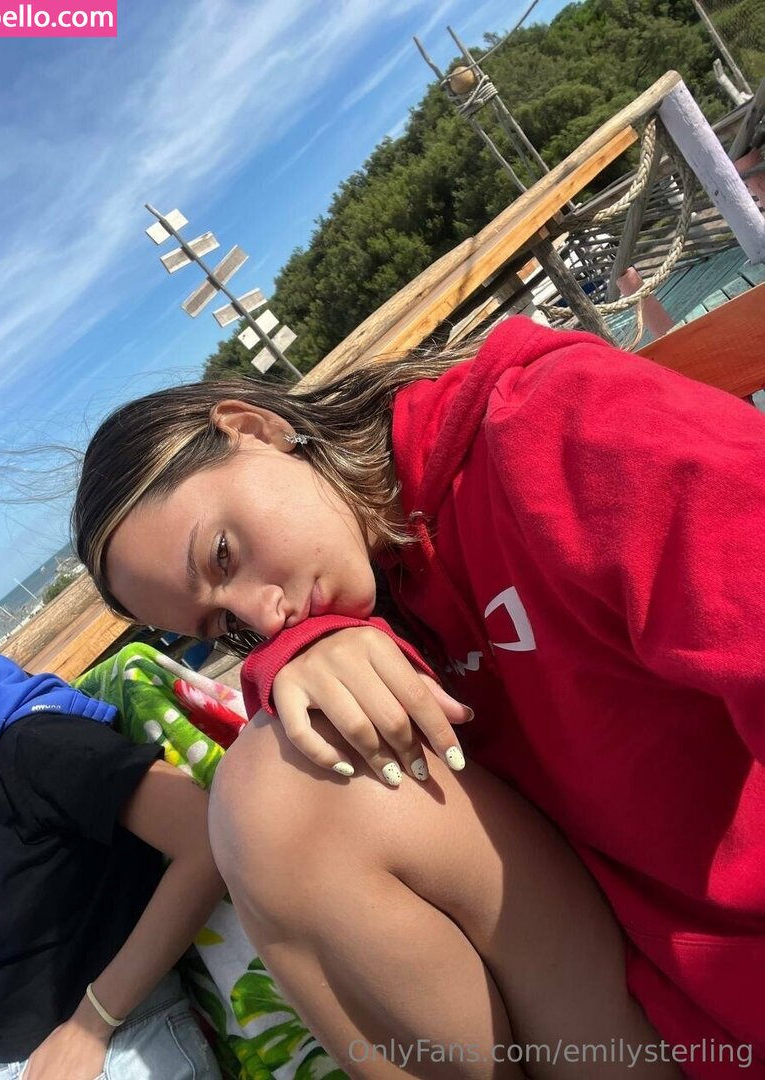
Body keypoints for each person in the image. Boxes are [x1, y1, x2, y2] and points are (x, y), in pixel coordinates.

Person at [72, 315, 765, 1077]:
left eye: (224, 554)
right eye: (222, 626)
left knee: (272, 800)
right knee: (266, 793)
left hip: (722, 963)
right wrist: (294, 655)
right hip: (649, 988)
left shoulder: (556, 423)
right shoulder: (364, 590)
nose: (263, 617)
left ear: (255, 430)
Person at [0, 639, 224, 1080]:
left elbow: (206, 837)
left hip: (107, 1049)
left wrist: (91, 1024)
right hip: (0, 1055)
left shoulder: (32, 743)